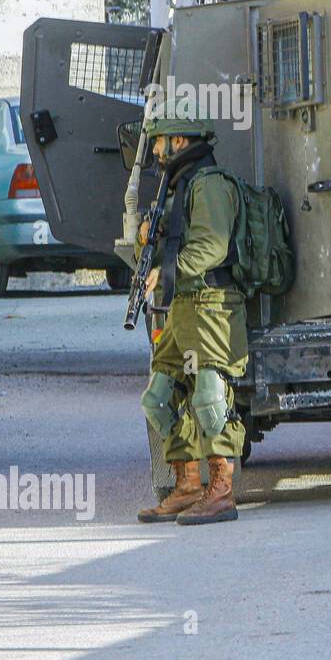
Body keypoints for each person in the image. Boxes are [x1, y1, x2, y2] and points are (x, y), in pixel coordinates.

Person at [135, 110, 248, 525]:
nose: (156, 150)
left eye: (160, 142)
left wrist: (165, 273)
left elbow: (212, 248)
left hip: (212, 305)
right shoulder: (175, 187)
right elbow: (160, 250)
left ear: (180, 142)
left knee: (208, 399)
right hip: (181, 305)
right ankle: (186, 487)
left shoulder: (210, 185)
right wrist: (145, 239)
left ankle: (220, 493)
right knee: (158, 399)